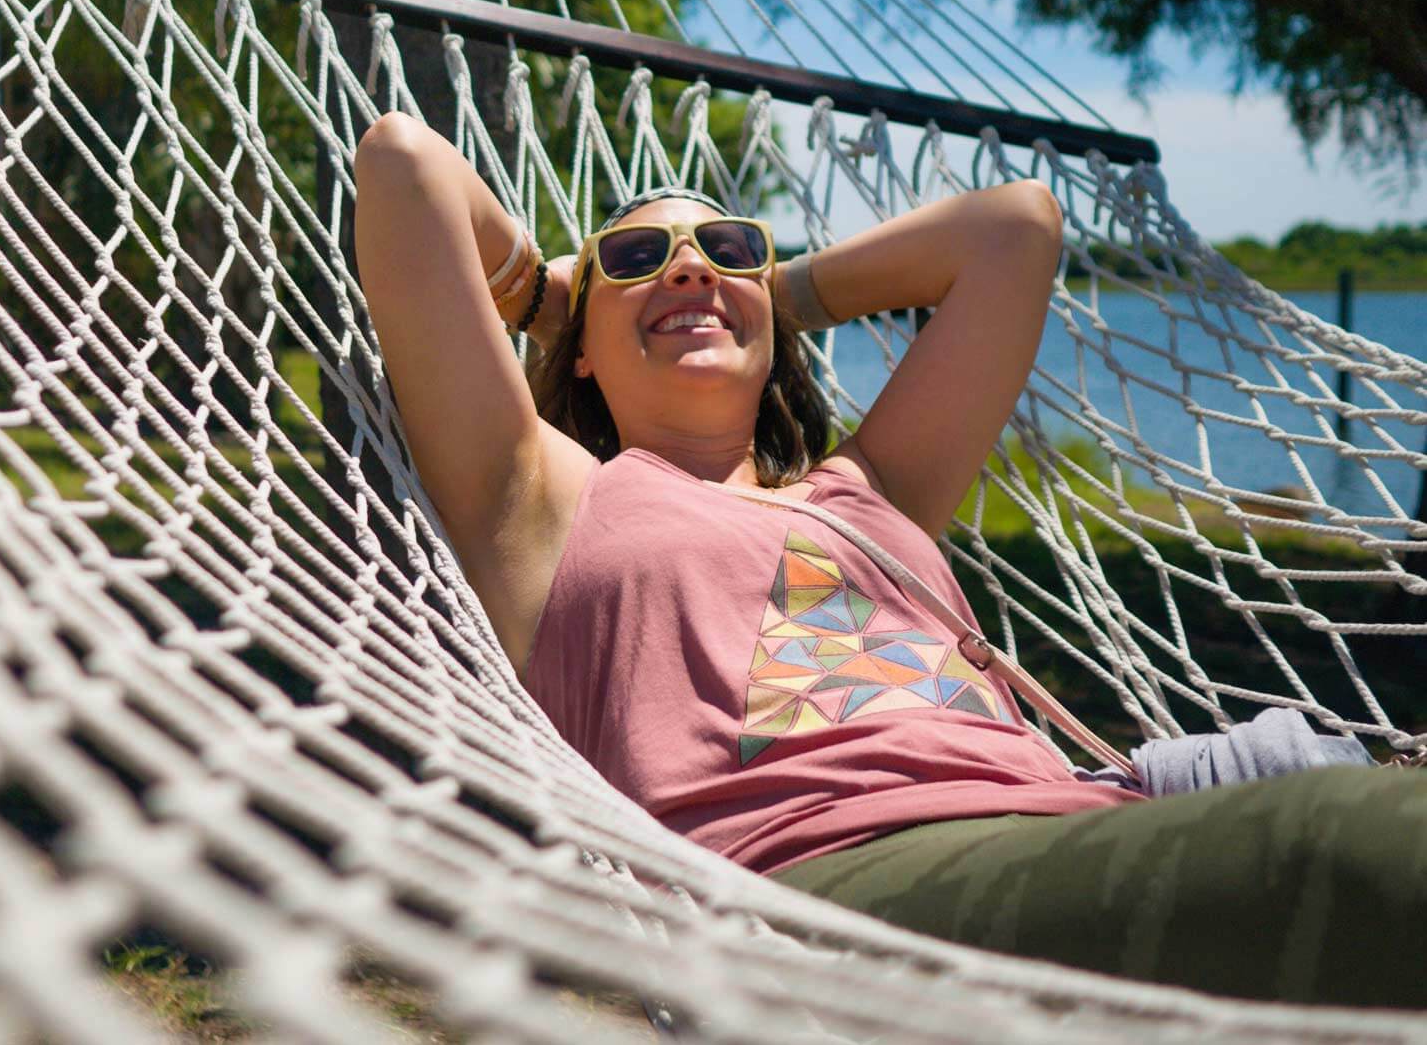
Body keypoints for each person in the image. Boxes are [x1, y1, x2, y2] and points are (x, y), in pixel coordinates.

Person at [354, 112, 1424, 1011]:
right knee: (1353, 846)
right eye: (637, 258)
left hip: (1073, 835)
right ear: (582, 348)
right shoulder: (543, 501)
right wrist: (551, 298)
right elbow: (404, 166)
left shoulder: (867, 493)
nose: (689, 262)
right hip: (817, 902)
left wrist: (775, 288)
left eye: (729, 249)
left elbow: (1016, 228)